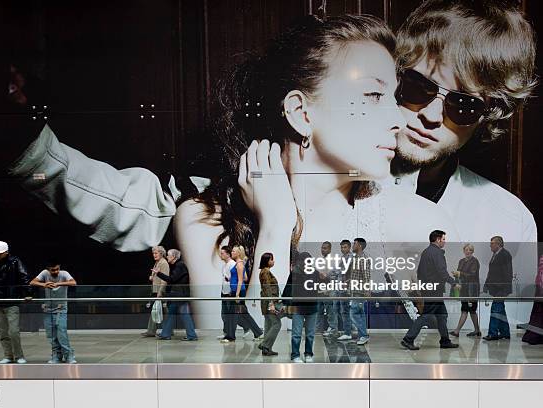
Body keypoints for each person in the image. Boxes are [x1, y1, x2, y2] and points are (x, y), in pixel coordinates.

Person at [174, 15, 457, 329]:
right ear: (300, 113)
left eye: (393, 98)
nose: (399, 121)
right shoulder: (206, 221)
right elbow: (233, 363)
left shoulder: (417, 224)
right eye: (373, 96)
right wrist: (275, 229)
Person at [390, 0, 537, 244]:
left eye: (463, 105)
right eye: (418, 86)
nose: (432, 115)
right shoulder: (320, 186)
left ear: (487, 115)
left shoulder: (510, 223)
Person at [401, 230, 459, 350]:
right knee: (426, 315)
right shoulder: (437, 253)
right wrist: (453, 283)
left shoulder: (426, 252)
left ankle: (445, 340)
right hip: (434, 290)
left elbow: (419, 272)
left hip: (430, 288)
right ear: (437, 239)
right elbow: (442, 271)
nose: (444, 242)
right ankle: (408, 339)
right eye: (443, 239)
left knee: (442, 315)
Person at [30, 258, 77, 364]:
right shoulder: (44, 273)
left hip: (61, 308)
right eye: (53, 270)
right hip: (48, 309)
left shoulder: (64, 273)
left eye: (57, 269)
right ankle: (56, 355)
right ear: (48, 270)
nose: (55, 271)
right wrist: (44, 284)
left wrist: (59, 284)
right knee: (51, 334)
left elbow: (73, 282)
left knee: (62, 332)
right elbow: (32, 282)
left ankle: (68, 354)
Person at [221, 245, 263, 343]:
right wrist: (232, 280)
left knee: (236, 313)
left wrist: (237, 294)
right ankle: (258, 333)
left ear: (238, 253)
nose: (232, 253)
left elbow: (241, 280)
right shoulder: (239, 264)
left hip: (237, 292)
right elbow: (245, 278)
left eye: (234, 252)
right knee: (242, 313)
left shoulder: (239, 264)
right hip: (237, 291)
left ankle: (231, 336)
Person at [155, 249, 198, 341]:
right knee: (173, 313)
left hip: (180, 295)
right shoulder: (177, 265)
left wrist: (158, 273)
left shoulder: (180, 265)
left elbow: (172, 279)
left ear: (174, 257)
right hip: (178, 295)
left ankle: (191, 335)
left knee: (182, 314)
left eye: (168, 255)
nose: (167, 257)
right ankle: (166, 334)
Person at [288, 251, 320, 363]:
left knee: (310, 334)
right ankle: (295, 355)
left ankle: (308, 354)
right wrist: (285, 304)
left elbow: (319, 286)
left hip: (312, 306)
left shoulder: (315, 273)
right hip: (298, 307)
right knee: (296, 333)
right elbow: (288, 289)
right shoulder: (295, 273)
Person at [483, 236, 513, 341]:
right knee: (500, 310)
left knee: (495, 309)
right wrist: (486, 285)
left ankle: (493, 333)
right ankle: (505, 332)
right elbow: (491, 272)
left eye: (492, 243)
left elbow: (508, 272)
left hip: (501, 288)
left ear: (498, 244)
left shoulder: (505, 254)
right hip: (496, 288)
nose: (490, 245)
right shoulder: (495, 255)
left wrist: (504, 287)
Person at [450, 243, 481, 337]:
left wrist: (460, 274)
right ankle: (474, 330)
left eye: (470, 250)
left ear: (472, 251)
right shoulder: (461, 261)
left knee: (470, 310)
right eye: (466, 250)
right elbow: (459, 273)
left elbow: (472, 275)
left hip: (472, 289)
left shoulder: (475, 261)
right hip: (463, 288)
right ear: (464, 251)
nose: (468, 252)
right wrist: (456, 277)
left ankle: (459, 331)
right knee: (466, 309)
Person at [347, 238, 370, 345]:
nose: (353, 245)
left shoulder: (363, 258)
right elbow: (357, 275)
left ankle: (364, 335)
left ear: (360, 245)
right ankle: (362, 335)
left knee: (353, 313)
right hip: (355, 290)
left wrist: (366, 290)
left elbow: (366, 275)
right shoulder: (356, 258)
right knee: (360, 313)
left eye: (354, 244)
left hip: (359, 291)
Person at [142, 246, 169, 337]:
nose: (154, 255)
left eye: (156, 253)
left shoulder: (163, 263)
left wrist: (160, 293)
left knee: (162, 311)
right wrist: (152, 277)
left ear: (161, 253)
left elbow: (164, 279)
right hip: (156, 290)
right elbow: (156, 275)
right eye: (153, 253)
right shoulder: (157, 263)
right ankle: (152, 331)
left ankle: (162, 330)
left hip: (160, 291)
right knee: (157, 310)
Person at [258, 252, 281, 356]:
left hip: (267, 302)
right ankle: (264, 344)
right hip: (268, 302)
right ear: (267, 261)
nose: (273, 261)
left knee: (269, 325)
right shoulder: (265, 272)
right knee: (276, 324)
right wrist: (271, 303)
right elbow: (267, 288)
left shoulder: (265, 272)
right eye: (271, 259)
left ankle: (266, 349)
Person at [522, 255, 543, 345]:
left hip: (540, 290)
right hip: (540, 290)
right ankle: (535, 336)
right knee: (539, 313)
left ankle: (535, 336)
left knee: (538, 313)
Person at [337, 240, 354, 341]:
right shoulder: (343, 257)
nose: (343, 249)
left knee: (345, 310)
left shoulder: (350, 258)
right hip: (341, 286)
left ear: (349, 247)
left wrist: (346, 284)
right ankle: (349, 328)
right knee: (341, 309)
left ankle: (347, 332)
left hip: (345, 288)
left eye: (345, 247)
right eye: (342, 247)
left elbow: (349, 273)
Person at [316, 241, 334, 334]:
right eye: (322, 248)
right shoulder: (320, 260)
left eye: (325, 248)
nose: (323, 250)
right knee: (319, 310)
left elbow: (334, 276)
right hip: (320, 289)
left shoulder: (333, 261)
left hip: (328, 289)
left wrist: (326, 276)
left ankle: (332, 328)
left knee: (330, 311)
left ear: (330, 249)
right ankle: (318, 329)